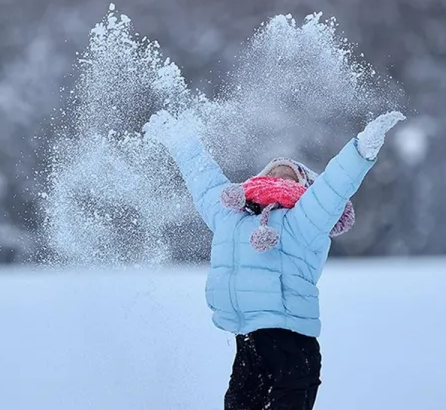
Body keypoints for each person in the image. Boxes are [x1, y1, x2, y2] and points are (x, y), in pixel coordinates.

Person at [143, 109, 405, 410]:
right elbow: (203, 179)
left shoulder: (304, 220)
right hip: (248, 341)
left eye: (290, 174)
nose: (279, 175)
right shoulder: (230, 215)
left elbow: (333, 187)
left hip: (292, 344)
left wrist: (361, 150)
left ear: (305, 188)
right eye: (272, 172)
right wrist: (180, 140)